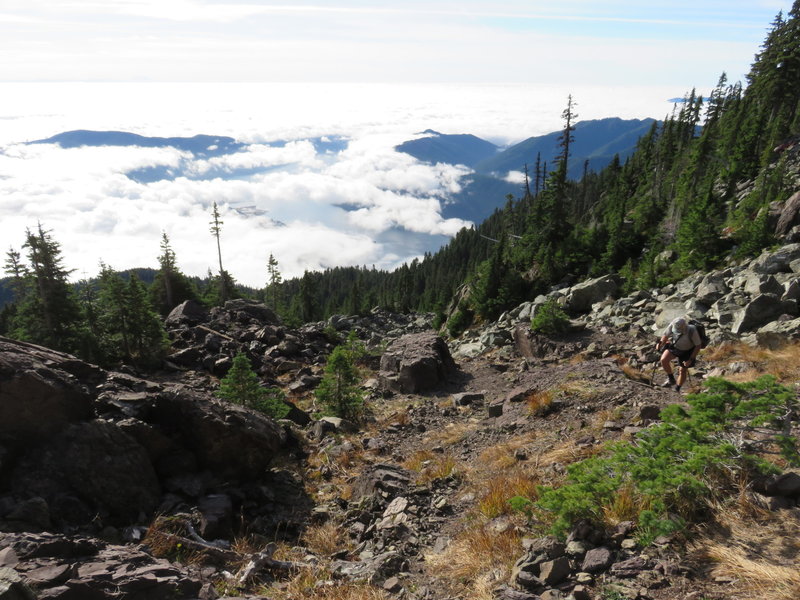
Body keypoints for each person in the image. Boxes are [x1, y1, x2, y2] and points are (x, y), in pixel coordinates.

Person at [656, 317, 701, 392]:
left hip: (688, 351)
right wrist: (660, 344)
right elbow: (665, 335)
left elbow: (698, 345)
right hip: (676, 347)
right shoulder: (673, 324)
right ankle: (671, 379)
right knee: (664, 360)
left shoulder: (692, 330)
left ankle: (677, 388)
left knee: (682, 370)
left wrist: (690, 359)